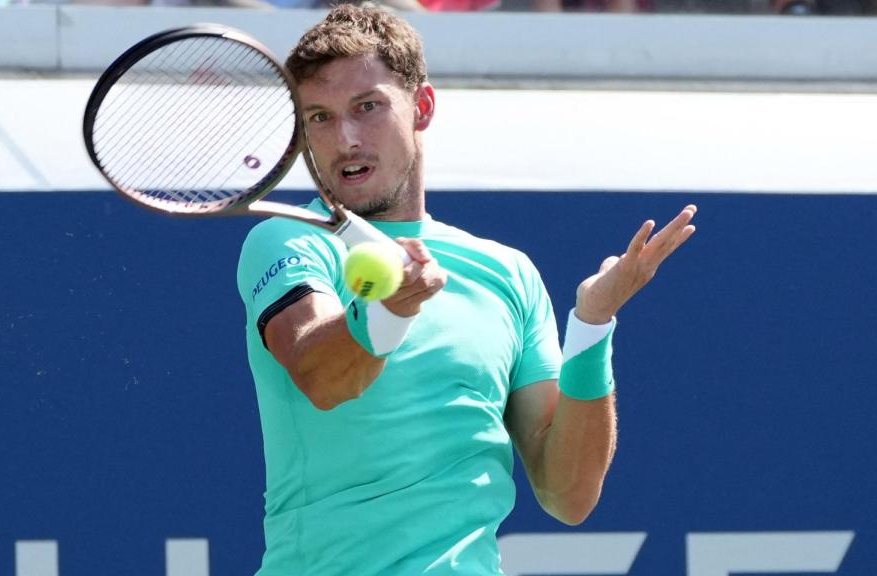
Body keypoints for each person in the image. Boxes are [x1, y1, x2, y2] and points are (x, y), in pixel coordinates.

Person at [236, 4, 697, 574]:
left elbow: (568, 494)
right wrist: (388, 309)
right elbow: (320, 374)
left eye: (367, 107)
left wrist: (592, 326)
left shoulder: (509, 274)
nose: (345, 138)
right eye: (320, 118)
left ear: (422, 107)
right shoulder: (287, 241)